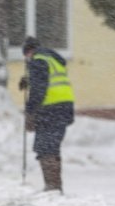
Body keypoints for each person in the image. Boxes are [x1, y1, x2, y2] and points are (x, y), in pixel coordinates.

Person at [19, 37, 75, 192]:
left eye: (26, 56)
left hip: (50, 109)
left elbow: (39, 90)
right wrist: (30, 79)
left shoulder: (38, 61)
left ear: (29, 52)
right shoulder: (52, 59)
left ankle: (52, 187)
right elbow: (48, 80)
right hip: (64, 107)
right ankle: (55, 186)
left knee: (44, 147)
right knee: (52, 147)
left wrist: (30, 112)